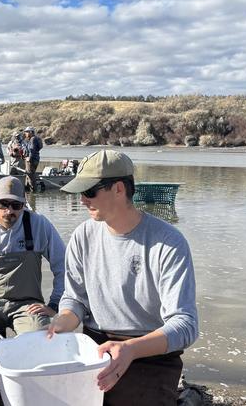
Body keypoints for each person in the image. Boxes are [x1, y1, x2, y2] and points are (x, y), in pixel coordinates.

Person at [47, 150, 198, 406]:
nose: (82, 200)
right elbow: (75, 299)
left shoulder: (168, 243)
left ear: (118, 188)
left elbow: (185, 325)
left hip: (150, 355)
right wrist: (61, 323)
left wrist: (131, 350)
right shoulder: (82, 236)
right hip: (95, 347)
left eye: (89, 191)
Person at [0, 176, 65, 337]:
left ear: (24, 203)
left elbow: (64, 266)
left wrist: (55, 305)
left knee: (40, 339)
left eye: (16, 205)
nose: (9, 211)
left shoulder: (39, 225)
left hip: (28, 305)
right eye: (3, 204)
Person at [21, 126, 43, 192]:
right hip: (34, 159)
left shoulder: (33, 139)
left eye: (27, 132)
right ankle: (28, 190)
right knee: (29, 175)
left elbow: (32, 150)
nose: (25, 133)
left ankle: (33, 192)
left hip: (32, 160)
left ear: (31, 132)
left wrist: (29, 158)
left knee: (30, 176)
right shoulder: (32, 139)